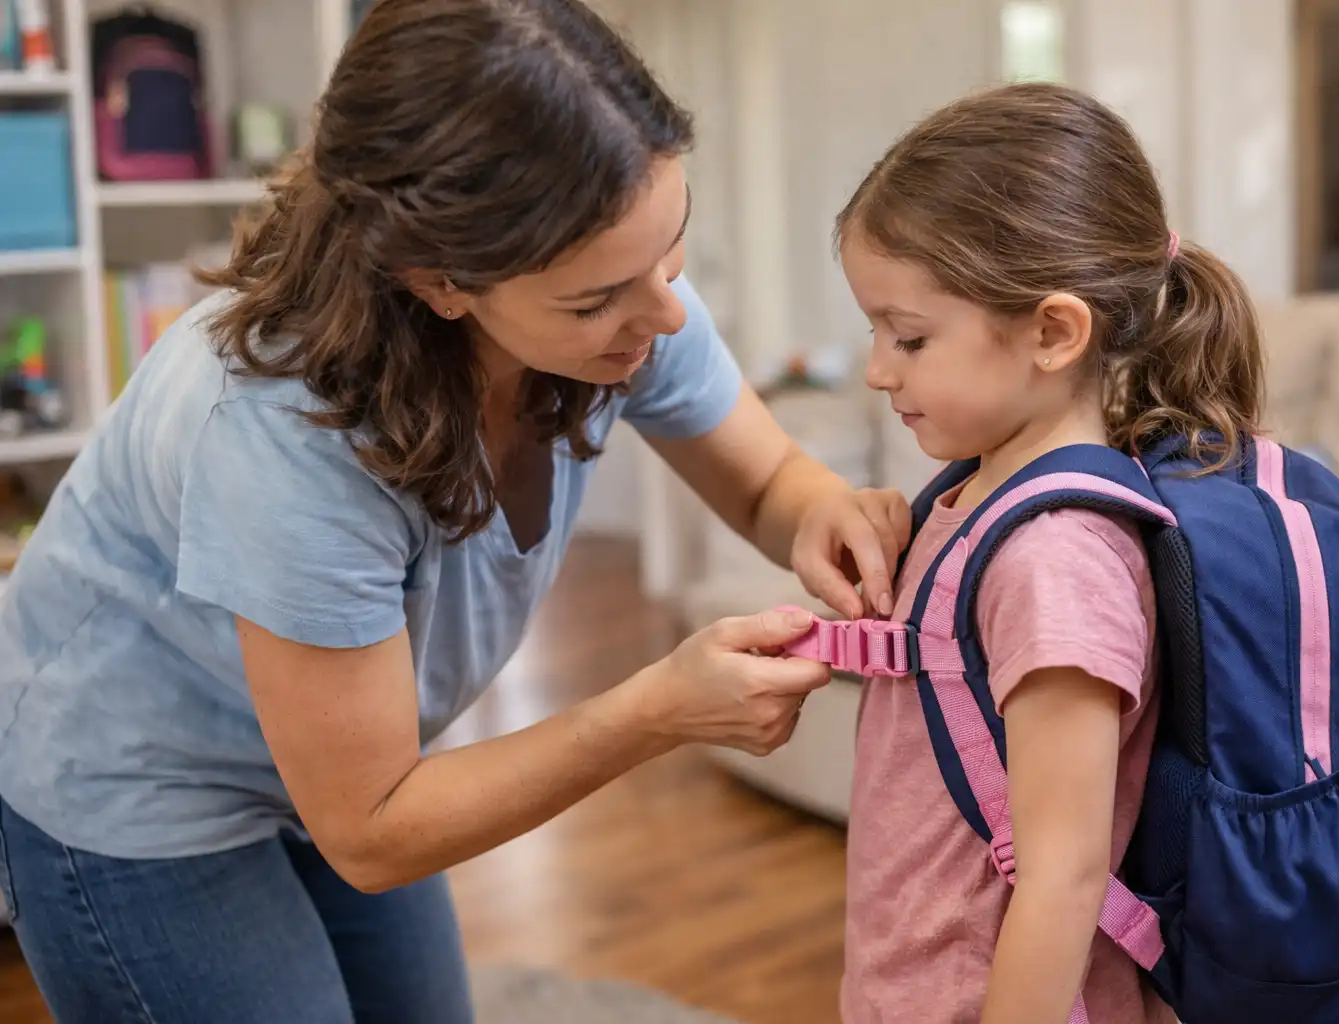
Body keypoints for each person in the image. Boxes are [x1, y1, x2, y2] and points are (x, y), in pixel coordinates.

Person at [0, 2, 907, 1022]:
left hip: (346, 759)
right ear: (438, 281)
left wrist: (827, 511)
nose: (664, 314)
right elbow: (375, 827)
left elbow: (761, 480)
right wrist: (657, 710)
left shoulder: (625, 291)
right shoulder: (284, 436)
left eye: (673, 247)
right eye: (597, 298)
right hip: (139, 774)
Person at [832, 82, 1264, 1023]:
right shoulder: (972, 497)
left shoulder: (1057, 560)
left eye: (909, 336)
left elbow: (1065, 877)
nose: (877, 369)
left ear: (1054, 331)